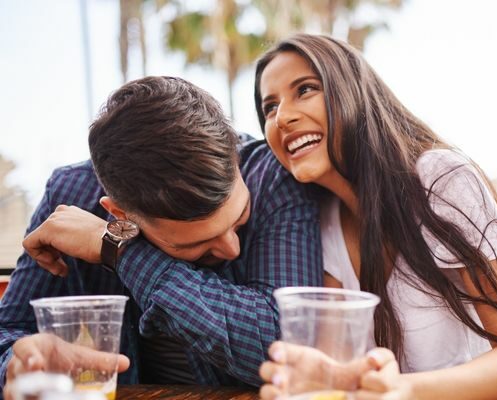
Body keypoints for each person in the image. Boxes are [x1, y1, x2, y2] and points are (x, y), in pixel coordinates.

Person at [253, 34, 497, 399]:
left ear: (352, 92)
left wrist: (402, 390)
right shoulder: (320, 221)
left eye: (305, 90)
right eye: (269, 107)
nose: (283, 118)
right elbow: (342, 374)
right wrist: (329, 381)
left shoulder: (440, 180)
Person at [0, 76, 322, 399]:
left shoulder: (275, 179)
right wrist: (17, 363)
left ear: (234, 153)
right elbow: (7, 331)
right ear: (120, 214)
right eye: (196, 244)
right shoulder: (69, 193)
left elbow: (287, 346)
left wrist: (117, 248)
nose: (231, 249)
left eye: (238, 218)